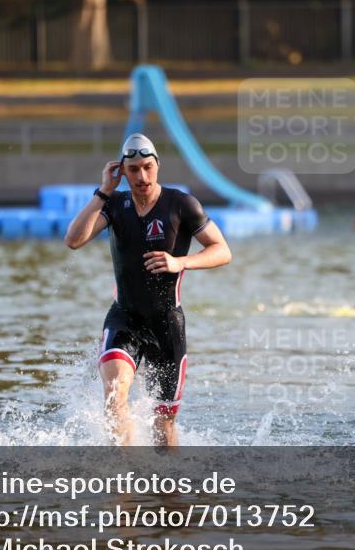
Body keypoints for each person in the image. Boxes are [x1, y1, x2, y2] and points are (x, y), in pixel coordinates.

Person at [64, 133, 232, 447]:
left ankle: (164, 492)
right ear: (122, 172)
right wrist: (103, 191)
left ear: (157, 166)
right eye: (134, 170)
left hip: (167, 326)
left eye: (147, 167)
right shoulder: (114, 205)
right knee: (114, 394)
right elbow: (73, 240)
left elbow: (222, 251)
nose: (142, 177)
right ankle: (126, 485)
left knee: (163, 427)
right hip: (124, 319)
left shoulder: (181, 204)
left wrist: (179, 261)